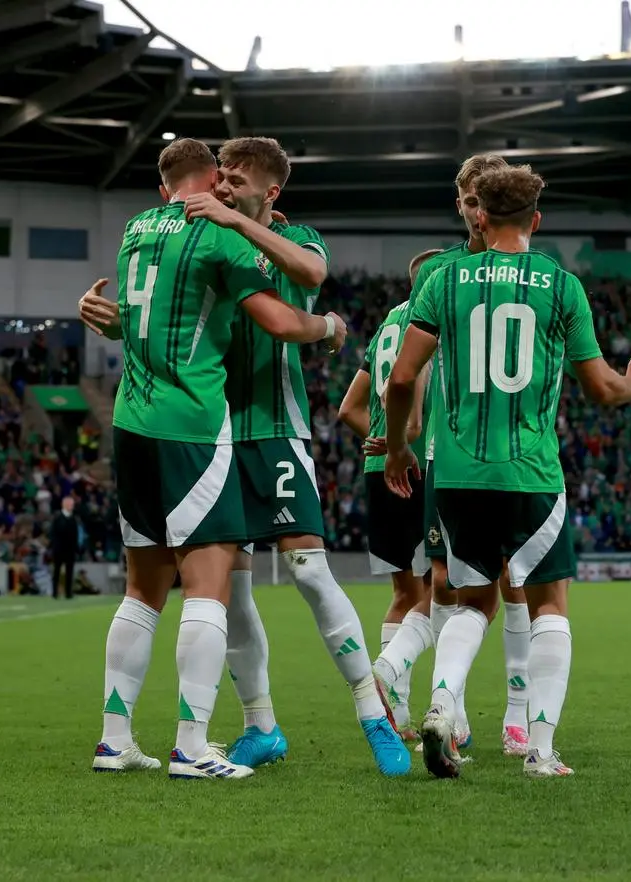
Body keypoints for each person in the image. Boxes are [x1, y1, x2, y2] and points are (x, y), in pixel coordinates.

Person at [82, 137, 408, 777]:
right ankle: (259, 723)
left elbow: (310, 276)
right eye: (219, 177)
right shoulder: (201, 235)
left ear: (270, 191)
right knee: (227, 588)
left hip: (272, 428)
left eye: (235, 179)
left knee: (310, 573)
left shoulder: (294, 236)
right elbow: (176, 316)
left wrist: (236, 222)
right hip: (210, 432)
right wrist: (118, 320)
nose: (224, 187)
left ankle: (373, 713)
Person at [383, 164, 631, 778]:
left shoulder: (444, 278)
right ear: (536, 219)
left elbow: (402, 378)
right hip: (531, 474)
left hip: (456, 475)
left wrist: (401, 449)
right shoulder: (560, 286)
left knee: (471, 603)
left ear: (478, 214)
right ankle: (539, 750)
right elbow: (601, 389)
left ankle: (441, 705)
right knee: (550, 606)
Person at [399, 153, 537, 758]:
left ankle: (513, 712)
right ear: (461, 204)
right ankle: (449, 708)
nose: (472, 208)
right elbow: (411, 369)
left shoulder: (527, 273)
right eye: (465, 197)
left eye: (480, 197)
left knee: (514, 582)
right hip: (450, 454)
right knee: (451, 586)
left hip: (507, 450)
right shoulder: (446, 271)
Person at [337, 250, 438, 741]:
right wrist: (407, 442)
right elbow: (414, 392)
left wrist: (384, 442)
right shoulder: (432, 325)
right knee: (448, 593)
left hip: (379, 470)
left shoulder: (384, 328)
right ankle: (437, 704)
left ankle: (396, 714)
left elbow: (348, 409)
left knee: (405, 593)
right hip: (421, 467)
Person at [49, 495, 79, 600]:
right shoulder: (57, 517)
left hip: (70, 549)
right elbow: (53, 534)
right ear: (64, 504)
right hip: (58, 549)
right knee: (56, 571)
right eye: (70, 504)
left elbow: (75, 535)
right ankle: (54, 592)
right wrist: (54, 547)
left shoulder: (73, 518)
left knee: (69, 571)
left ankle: (68, 592)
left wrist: (76, 547)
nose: (72, 506)